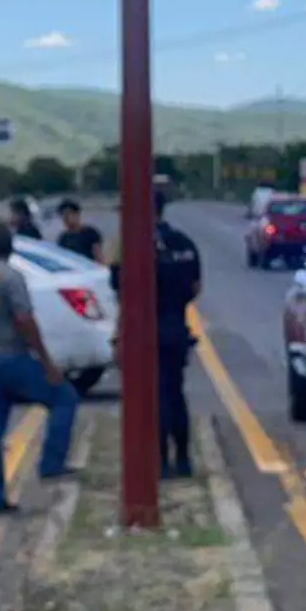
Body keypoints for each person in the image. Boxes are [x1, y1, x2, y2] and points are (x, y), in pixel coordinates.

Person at [0, 223, 79, 514]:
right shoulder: (11, 277)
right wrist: (47, 362)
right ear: (10, 248)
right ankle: (51, 463)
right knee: (64, 397)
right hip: (10, 359)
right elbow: (25, 321)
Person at [109, 189, 203, 477]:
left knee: (152, 397)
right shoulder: (185, 243)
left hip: (144, 329)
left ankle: (160, 462)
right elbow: (196, 288)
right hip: (175, 325)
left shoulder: (132, 246)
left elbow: (118, 287)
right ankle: (184, 459)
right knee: (174, 392)